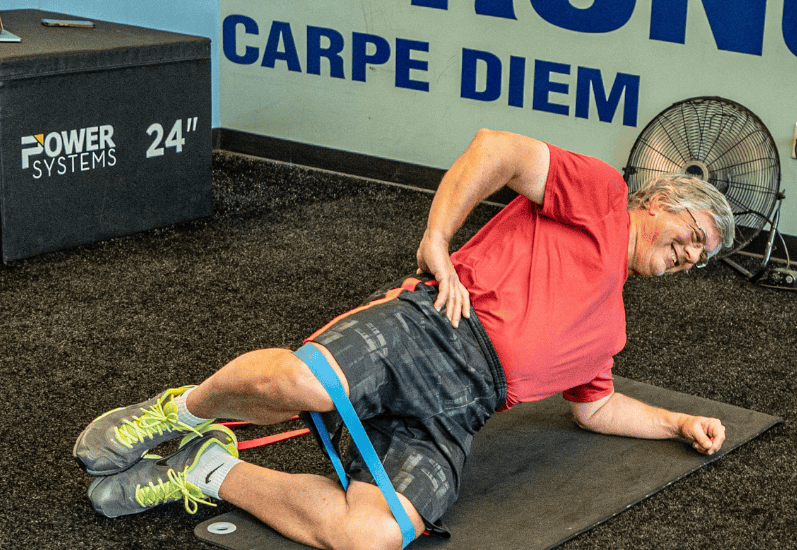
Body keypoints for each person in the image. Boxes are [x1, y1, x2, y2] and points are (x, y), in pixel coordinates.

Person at [73, 128, 736, 550]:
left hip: (458, 413)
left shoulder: (611, 329)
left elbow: (597, 407)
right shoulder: (601, 194)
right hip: (432, 326)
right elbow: (495, 149)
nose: (693, 256)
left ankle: (206, 469)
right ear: (659, 204)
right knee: (308, 382)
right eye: (696, 236)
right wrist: (437, 241)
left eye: (703, 257)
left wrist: (680, 421)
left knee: (370, 535)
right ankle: (177, 413)